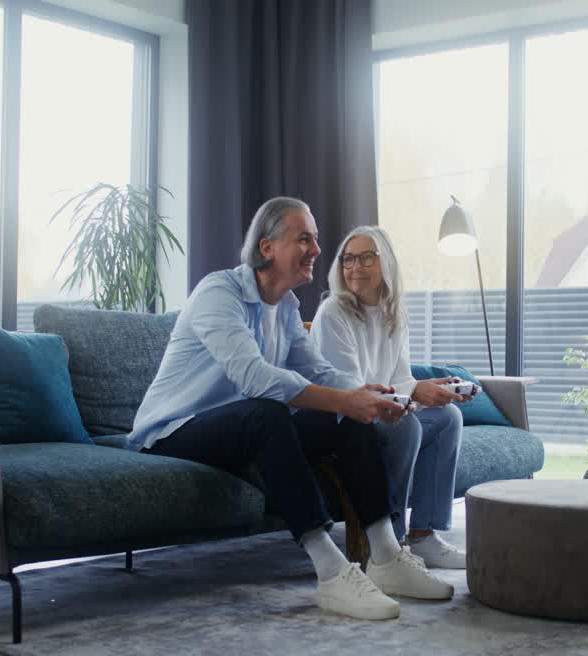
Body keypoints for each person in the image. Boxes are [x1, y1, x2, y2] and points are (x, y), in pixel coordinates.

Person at [127, 197, 453, 621]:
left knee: (348, 419)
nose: (318, 250)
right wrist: (346, 398)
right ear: (267, 248)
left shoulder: (285, 307)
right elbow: (255, 378)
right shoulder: (218, 292)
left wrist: (367, 398)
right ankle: (332, 571)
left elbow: (318, 370)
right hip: (174, 431)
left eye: (315, 239)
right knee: (269, 411)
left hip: (244, 427)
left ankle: (387, 556)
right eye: (304, 238)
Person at [311, 226, 468, 569]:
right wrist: (412, 394)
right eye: (348, 259)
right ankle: (389, 545)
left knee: (447, 419)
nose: (355, 267)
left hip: (384, 410)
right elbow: (351, 388)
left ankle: (424, 536)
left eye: (367, 257)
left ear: (386, 264)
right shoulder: (333, 312)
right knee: (407, 427)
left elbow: (400, 379)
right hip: (346, 419)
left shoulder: (393, 313)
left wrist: (428, 391)